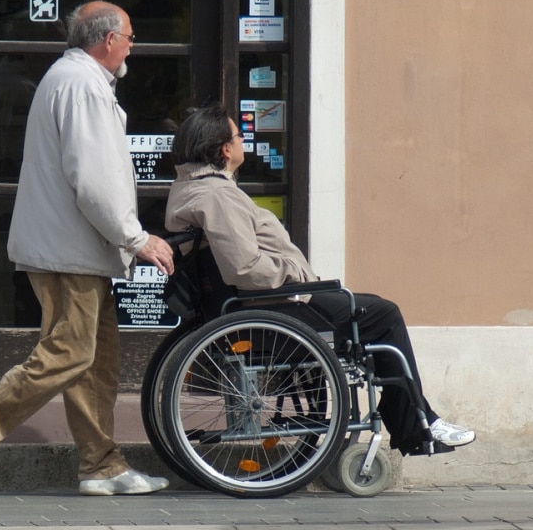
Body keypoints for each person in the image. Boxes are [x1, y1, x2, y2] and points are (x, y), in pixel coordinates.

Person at [0, 1, 176, 495]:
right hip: (70, 250)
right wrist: (136, 237)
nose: (133, 46)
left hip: (76, 248)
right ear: (107, 40)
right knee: (70, 353)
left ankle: (101, 466)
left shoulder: (76, 80)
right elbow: (94, 180)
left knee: (96, 360)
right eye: (130, 37)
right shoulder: (82, 85)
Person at [163, 103, 475, 456]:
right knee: (383, 315)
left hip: (261, 305)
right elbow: (244, 269)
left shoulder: (192, 189)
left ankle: (412, 415)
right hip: (272, 306)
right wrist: (296, 275)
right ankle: (417, 420)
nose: (242, 141)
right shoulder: (218, 196)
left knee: (369, 310)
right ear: (224, 149)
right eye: (239, 135)